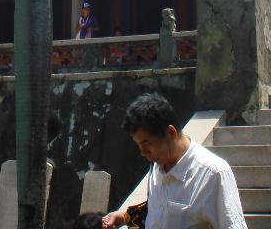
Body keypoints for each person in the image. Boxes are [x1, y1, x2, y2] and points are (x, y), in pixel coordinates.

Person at [102, 93, 247, 229]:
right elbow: (161, 209)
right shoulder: (156, 167)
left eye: (146, 144)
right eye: (138, 145)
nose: (143, 152)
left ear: (171, 133)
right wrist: (125, 216)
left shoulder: (214, 174)